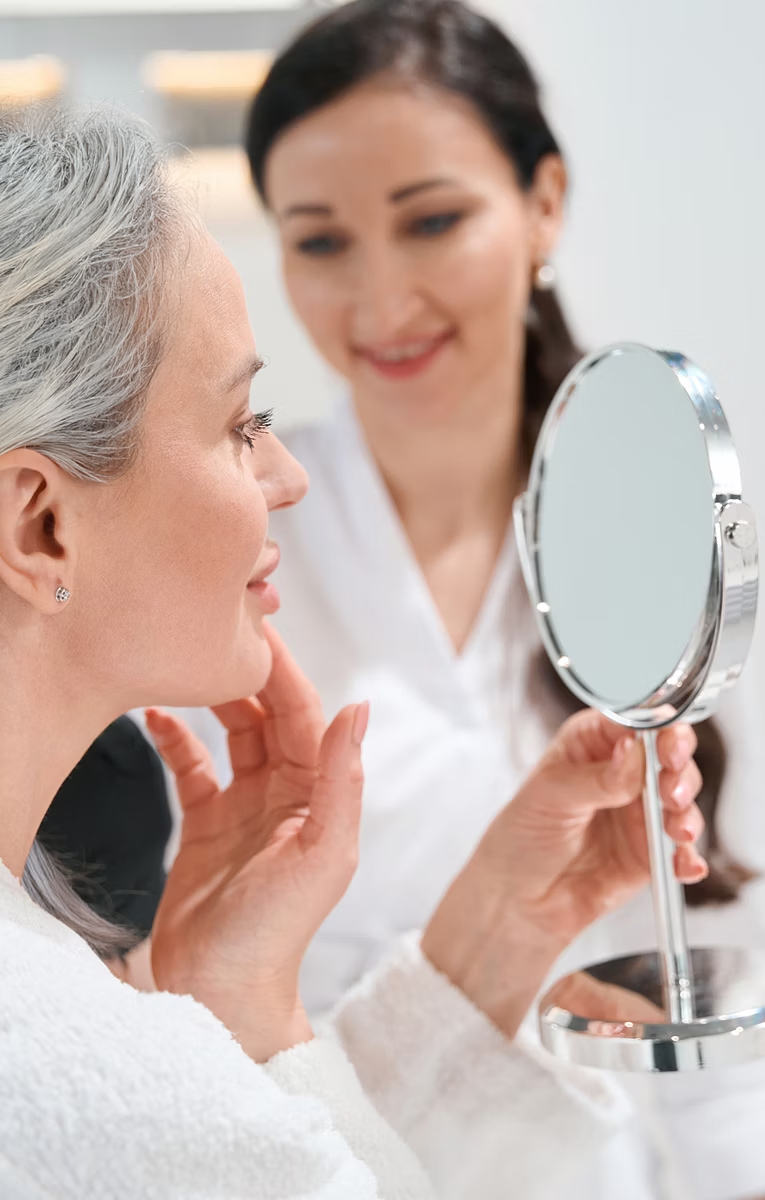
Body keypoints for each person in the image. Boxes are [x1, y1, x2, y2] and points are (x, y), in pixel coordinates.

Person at [0, 106, 707, 1199]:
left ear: (544, 207)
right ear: (41, 525)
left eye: (430, 219)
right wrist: (252, 1019)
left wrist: (251, 992)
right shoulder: (87, 1077)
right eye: (241, 424)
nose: (285, 474)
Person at [237, 2, 765, 1196]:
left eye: (431, 220)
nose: (381, 301)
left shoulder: (684, 523)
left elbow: (727, 1017)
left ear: (543, 203)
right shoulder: (239, 547)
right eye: (321, 241)